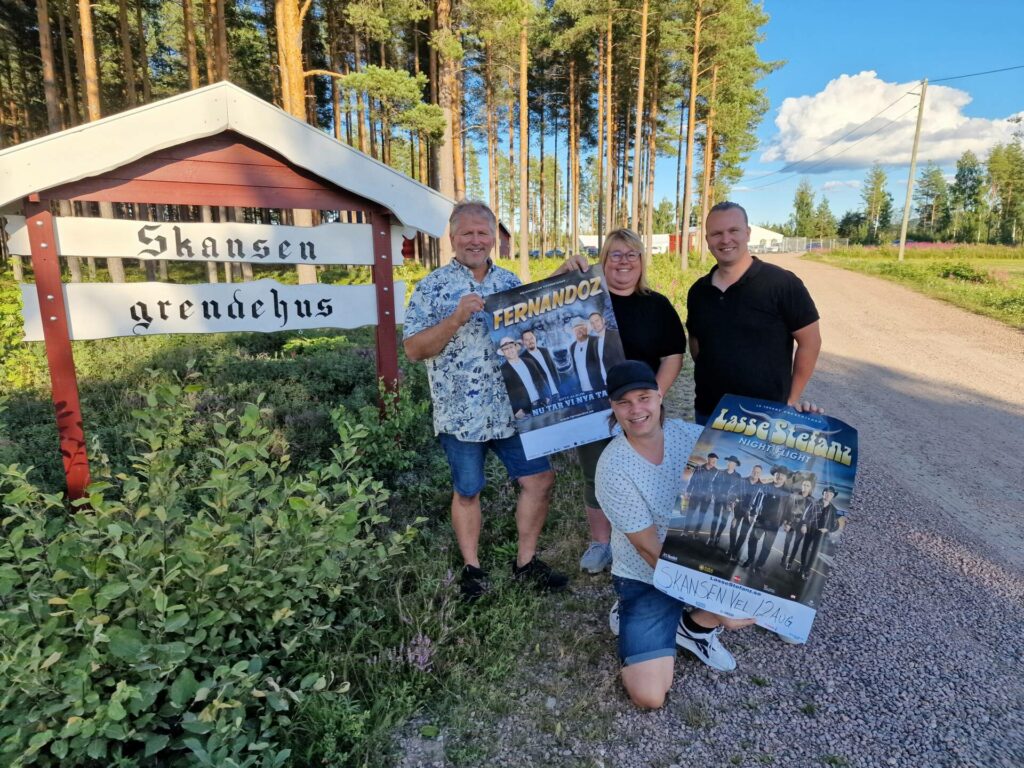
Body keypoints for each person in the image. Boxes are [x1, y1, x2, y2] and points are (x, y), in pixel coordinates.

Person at [403, 200, 577, 601]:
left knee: (540, 480)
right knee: (468, 490)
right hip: (461, 415)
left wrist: (562, 277)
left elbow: (532, 311)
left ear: (494, 238)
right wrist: (454, 320)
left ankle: (526, 563)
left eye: (483, 233)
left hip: (512, 411)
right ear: (452, 237)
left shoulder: (508, 281)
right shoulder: (432, 287)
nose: (476, 240)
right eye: (467, 233)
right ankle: (472, 569)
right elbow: (413, 349)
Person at [596, 361, 754, 708]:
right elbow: (650, 550)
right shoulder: (612, 468)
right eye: (624, 402)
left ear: (659, 396)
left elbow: (759, 449)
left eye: (644, 397)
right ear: (613, 407)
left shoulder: (692, 436)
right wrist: (719, 601)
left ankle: (693, 627)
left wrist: (801, 418)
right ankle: (634, 609)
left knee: (766, 579)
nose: (636, 410)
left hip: (702, 556)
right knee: (649, 696)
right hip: (648, 575)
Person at [571, 228, 687, 574]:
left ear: (641, 261)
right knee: (595, 473)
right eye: (615, 255)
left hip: (641, 409)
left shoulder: (657, 305)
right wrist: (562, 273)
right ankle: (601, 543)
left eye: (631, 255)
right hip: (596, 407)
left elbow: (673, 355)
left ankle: (654, 536)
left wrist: (655, 396)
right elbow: (538, 312)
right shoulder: (583, 300)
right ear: (603, 261)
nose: (623, 262)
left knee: (652, 472)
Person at [687, 201, 822, 425]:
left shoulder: (782, 283)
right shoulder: (698, 291)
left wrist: (791, 398)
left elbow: (811, 342)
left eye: (733, 231)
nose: (725, 239)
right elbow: (696, 343)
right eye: (716, 233)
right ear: (707, 239)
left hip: (766, 416)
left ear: (747, 233)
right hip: (710, 413)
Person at [741, 466, 791, 574]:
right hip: (760, 520)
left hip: (774, 524)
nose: (779, 477)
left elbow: (789, 509)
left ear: (785, 477)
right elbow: (755, 501)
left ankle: (759, 565)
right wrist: (752, 513)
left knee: (767, 546)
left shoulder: (787, 493)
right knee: (752, 540)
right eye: (778, 474)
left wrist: (788, 522)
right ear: (774, 475)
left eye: (782, 475)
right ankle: (750, 560)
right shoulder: (765, 487)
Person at [798, 485, 847, 580]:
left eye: (831, 494)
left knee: (814, 553)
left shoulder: (833, 510)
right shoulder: (814, 503)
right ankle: (802, 566)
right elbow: (806, 515)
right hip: (810, 529)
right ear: (823, 494)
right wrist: (804, 525)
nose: (828, 495)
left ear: (833, 496)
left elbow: (835, 525)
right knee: (804, 549)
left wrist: (827, 529)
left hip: (820, 533)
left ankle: (807, 571)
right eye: (826, 493)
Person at [497, 335, 551, 418]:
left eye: (511, 347)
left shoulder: (529, 361)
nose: (509, 350)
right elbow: (504, 393)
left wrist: (547, 396)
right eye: (506, 349)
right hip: (524, 411)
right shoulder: (502, 370)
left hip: (542, 403)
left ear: (516, 347)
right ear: (503, 352)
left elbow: (540, 379)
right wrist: (515, 411)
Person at [728, 464, 765, 562]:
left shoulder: (761, 487)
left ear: (760, 474)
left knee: (743, 534)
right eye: (754, 471)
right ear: (751, 470)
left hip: (750, 514)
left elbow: (759, 503)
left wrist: (754, 515)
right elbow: (732, 491)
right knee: (733, 530)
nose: (755, 473)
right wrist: (731, 502)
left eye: (758, 472)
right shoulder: (742, 481)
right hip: (738, 510)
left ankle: (734, 553)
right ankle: (731, 548)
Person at [709, 455, 744, 547]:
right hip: (718, 499)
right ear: (727, 463)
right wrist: (714, 494)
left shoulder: (738, 476)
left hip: (729, 502)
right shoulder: (720, 473)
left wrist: (734, 501)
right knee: (715, 518)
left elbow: (738, 490)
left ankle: (717, 536)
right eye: (729, 462)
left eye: (732, 463)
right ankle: (711, 537)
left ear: (735, 465)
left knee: (723, 520)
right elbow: (713, 483)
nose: (730, 464)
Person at [783, 478, 816, 571]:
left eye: (807, 485)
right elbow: (788, 508)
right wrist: (786, 521)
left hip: (802, 525)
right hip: (792, 522)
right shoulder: (795, 496)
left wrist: (805, 525)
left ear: (810, 488)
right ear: (801, 486)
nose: (805, 487)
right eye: (804, 485)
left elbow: (811, 515)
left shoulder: (812, 501)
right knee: (787, 541)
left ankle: (789, 562)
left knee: (796, 545)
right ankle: (784, 557)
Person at [520, 328, 561, 395]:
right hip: (543, 396)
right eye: (526, 340)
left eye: (531, 338)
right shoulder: (522, 358)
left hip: (557, 390)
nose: (530, 341)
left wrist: (559, 384)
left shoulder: (545, 351)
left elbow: (553, 369)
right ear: (523, 342)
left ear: (535, 338)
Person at [568, 317, 603, 392]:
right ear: (573, 331)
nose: (578, 331)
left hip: (600, 386)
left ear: (586, 328)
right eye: (576, 329)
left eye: (581, 327)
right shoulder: (572, 347)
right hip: (584, 389)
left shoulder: (596, 340)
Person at [588, 311, 625, 380]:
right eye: (592, 323)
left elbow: (624, 358)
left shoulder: (616, 335)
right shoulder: (595, 343)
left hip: (621, 378)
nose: (595, 324)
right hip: (607, 383)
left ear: (603, 320)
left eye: (597, 320)